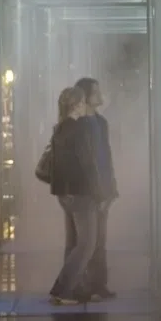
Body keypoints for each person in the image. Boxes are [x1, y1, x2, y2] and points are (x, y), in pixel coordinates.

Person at [45, 88, 101, 304]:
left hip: (65, 193)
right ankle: (63, 290)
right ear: (77, 105)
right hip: (80, 192)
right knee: (87, 243)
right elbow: (87, 164)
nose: (85, 105)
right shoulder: (79, 129)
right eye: (83, 102)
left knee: (74, 242)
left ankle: (75, 288)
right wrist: (98, 192)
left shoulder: (60, 128)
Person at [75, 76, 118, 301]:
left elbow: (106, 155)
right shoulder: (78, 124)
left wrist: (112, 186)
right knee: (84, 240)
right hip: (85, 191)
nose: (100, 95)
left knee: (100, 239)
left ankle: (98, 284)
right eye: (96, 92)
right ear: (87, 97)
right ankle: (81, 284)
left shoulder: (101, 123)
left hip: (102, 189)